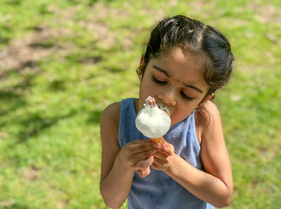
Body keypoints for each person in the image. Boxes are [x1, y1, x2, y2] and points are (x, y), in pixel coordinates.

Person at [100, 15, 234, 209]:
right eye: (160, 80)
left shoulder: (203, 118)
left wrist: (173, 165)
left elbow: (222, 197)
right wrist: (124, 164)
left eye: (187, 94)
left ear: (204, 100)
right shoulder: (115, 118)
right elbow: (112, 201)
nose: (168, 98)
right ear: (143, 66)